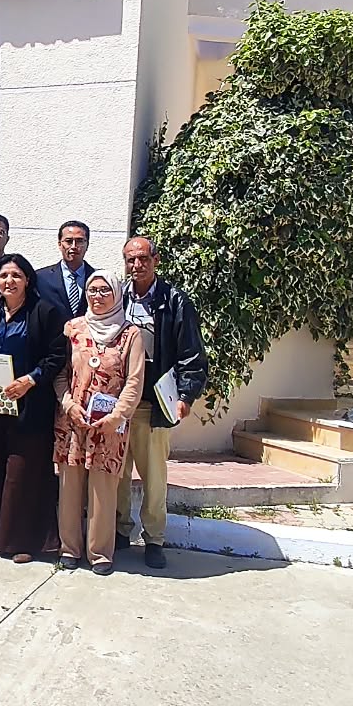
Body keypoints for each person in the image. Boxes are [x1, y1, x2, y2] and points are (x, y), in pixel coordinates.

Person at [0, 254, 69, 563]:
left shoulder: (45, 312)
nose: (8, 281)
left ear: (27, 280)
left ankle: (25, 541)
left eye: (15, 275)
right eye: (3, 275)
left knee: (23, 472)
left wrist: (31, 380)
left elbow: (56, 356)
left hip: (29, 405)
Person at [116, 236, 210, 569]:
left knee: (154, 475)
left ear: (155, 259)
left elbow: (192, 355)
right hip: (117, 403)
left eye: (142, 258)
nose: (136, 265)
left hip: (151, 404)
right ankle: (120, 531)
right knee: (117, 473)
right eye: (130, 259)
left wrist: (185, 396)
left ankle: (154, 538)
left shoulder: (174, 301)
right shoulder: (117, 298)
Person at [54, 273, 148, 574]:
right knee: (69, 489)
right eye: (92, 290)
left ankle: (100, 554)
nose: (97, 296)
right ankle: (69, 548)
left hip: (110, 426)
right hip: (73, 422)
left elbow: (134, 381)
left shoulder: (131, 334)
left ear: (117, 294)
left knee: (103, 491)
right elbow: (60, 374)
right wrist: (68, 404)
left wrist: (117, 415)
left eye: (104, 290)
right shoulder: (74, 329)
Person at [41, 220, 96, 318]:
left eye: (79, 241)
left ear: (87, 245)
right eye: (68, 241)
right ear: (59, 244)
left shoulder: (98, 278)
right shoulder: (41, 278)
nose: (74, 246)